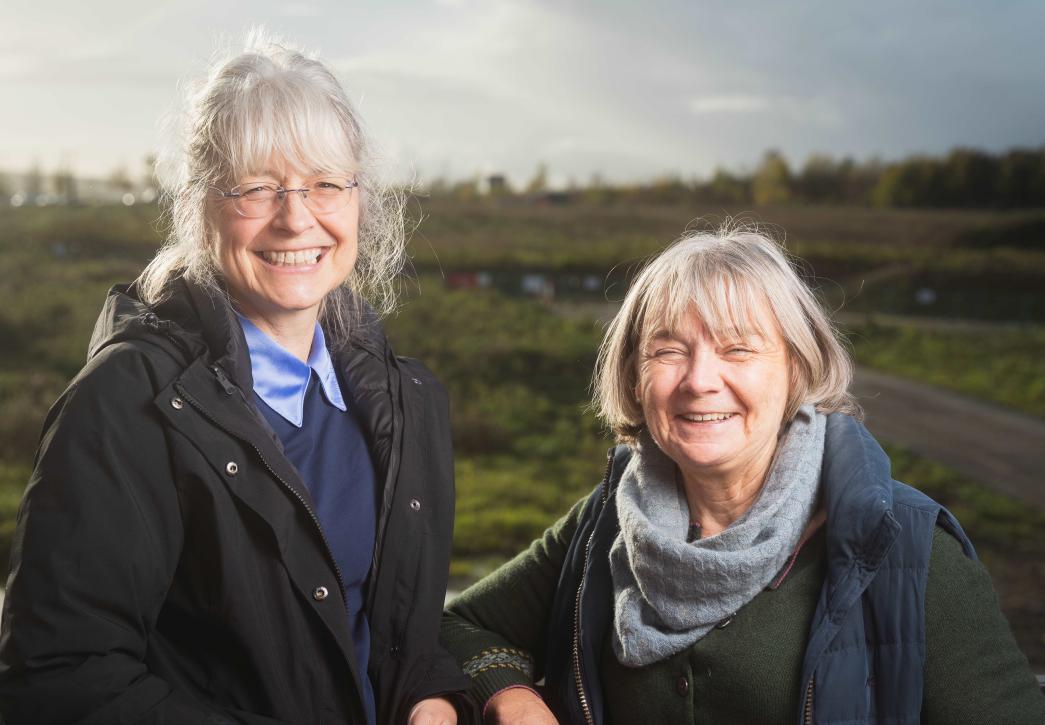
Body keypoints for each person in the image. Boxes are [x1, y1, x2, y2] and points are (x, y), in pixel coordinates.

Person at [0, 32, 468, 725]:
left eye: (325, 183)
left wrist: (433, 695)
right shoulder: (126, 403)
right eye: (255, 186)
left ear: (359, 199)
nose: (295, 217)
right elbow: (57, 679)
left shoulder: (408, 403)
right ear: (197, 203)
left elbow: (397, 633)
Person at [441, 227, 1045, 724]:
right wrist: (510, 695)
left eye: (738, 349)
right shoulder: (605, 524)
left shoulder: (903, 549)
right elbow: (455, 625)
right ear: (633, 376)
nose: (700, 379)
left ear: (797, 370)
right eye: (668, 350)